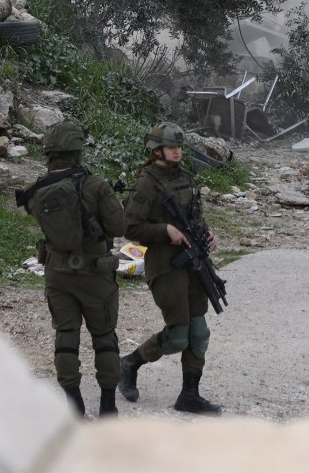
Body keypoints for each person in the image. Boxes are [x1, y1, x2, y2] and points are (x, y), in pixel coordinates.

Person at [18, 124, 126, 419]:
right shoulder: (96, 184)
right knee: (104, 337)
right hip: (95, 274)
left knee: (66, 336)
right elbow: (119, 226)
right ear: (78, 149)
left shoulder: (36, 190)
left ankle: (74, 404)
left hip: (57, 273)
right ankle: (107, 406)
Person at [118, 123, 222, 415]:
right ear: (157, 150)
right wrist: (164, 231)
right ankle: (129, 363)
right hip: (166, 264)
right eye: (171, 147)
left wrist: (207, 232)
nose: (177, 151)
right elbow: (129, 226)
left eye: (179, 147)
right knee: (178, 336)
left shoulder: (184, 177)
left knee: (199, 332)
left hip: (193, 262)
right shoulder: (146, 183)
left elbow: (194, 216)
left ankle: (189, 395)